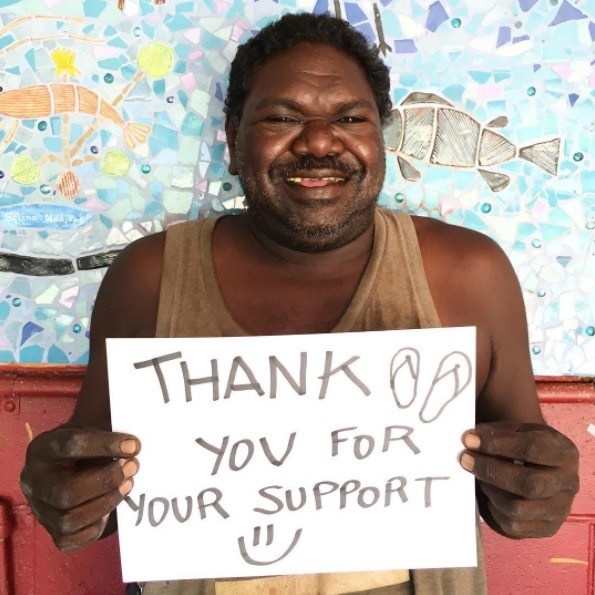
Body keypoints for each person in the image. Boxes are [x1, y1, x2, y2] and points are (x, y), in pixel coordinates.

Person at [20, 12, 579, 595]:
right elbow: (97, 484)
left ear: (379, 139)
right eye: (283, 117)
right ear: (234, 141)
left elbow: (517, 471)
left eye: (350, 118)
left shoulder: (470, 274)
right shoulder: (149, 276)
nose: (317, 141)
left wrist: (535, 490)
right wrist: (68, 496)